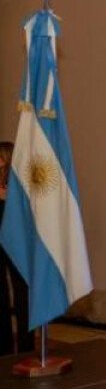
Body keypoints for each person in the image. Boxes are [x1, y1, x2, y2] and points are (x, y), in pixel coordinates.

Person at [0, 140, 33, 356]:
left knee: (22, 295)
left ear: (6, 160)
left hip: (17, 245)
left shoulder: (19, 188)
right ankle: (4, 348)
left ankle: (26, 347)